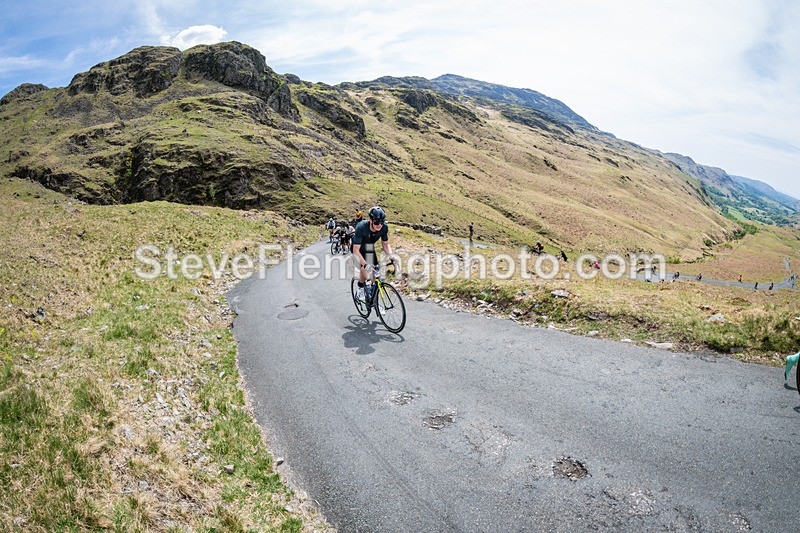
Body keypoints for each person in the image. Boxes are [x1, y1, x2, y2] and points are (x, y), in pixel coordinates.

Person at [352, 206, 393, 301]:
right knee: (364, 269)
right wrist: (366, 264)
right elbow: (356, 250)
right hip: (357, 249)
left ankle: (372, 297)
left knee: (376, 271)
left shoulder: (384, 228)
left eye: (382, 222)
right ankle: (360, 287)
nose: (379, 225)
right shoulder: (361, 227)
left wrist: (391, 256)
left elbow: (386, 245)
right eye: (376, 222)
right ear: (370, 220)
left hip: (369, 248)